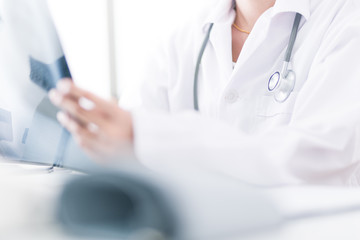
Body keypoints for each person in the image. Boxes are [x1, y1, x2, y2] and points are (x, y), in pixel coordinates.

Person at [49, 0, 360, 186]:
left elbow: (313, 157)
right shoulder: (181, 39)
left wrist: (151, 139)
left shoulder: (346, 22)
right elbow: (129, 149)